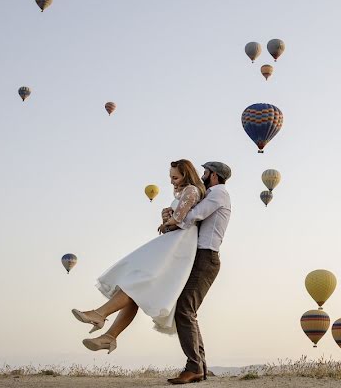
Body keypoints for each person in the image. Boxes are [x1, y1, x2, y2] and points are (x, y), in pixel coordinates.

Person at [70, 160, 206, 354]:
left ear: (186, 174)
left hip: (178, 245)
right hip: (174, 241)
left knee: (137, 281)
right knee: (137, 289)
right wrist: (167, 216)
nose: (171, 181)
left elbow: (179, 220)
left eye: (174, 177)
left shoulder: (191, 190)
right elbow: (176, 219)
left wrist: (169, 221)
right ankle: (109, 336)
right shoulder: (186, 192)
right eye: (170, 177)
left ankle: (100, 314)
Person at [164, 161, 232, 385]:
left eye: (205, 172)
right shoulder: (212, 193)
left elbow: (194, 216)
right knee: (187, 310)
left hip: (207, 258)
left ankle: (194, 367)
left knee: (184, 308)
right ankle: (199, 367)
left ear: (214, 176)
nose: (202, 175)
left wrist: (174, 220)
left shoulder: (218, 194)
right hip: (200, 257)